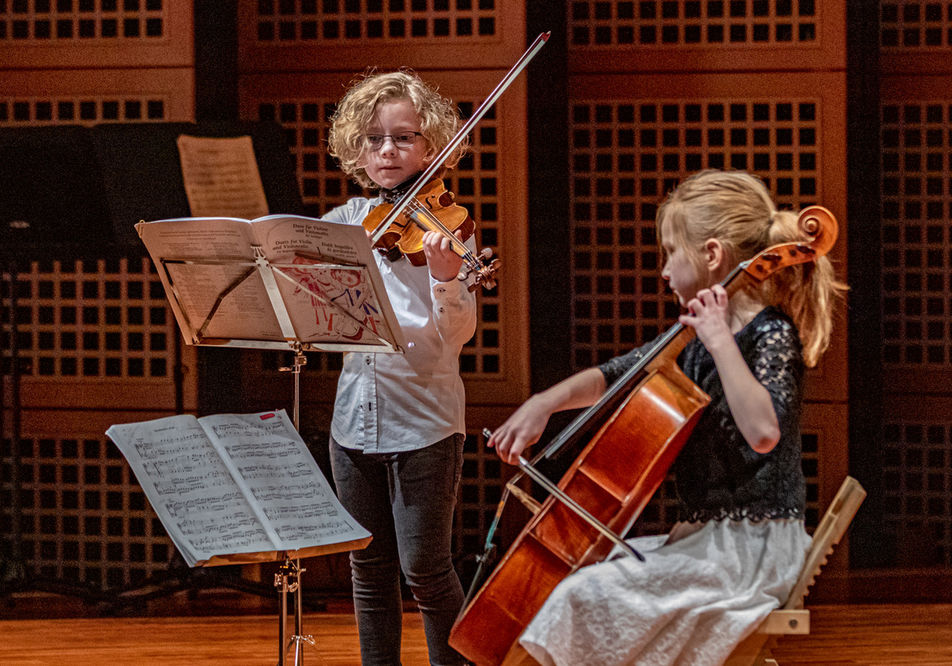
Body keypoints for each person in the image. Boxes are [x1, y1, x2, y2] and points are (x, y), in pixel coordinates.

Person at [487, 169, 845, 666]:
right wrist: (543, 402)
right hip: (709, 545)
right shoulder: (694, 339)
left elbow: (764, 433)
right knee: (583, 581)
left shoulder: (769, 332)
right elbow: (616, 375)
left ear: (712, 255)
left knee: (582, 595)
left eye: (670, 252)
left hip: (750, 552)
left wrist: (720, 340)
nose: (664, 270)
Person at [322, 69, 475, 666]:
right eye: (374, 139)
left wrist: (445, 281)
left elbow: (455, 335)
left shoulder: (443, 229)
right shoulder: (342, 224)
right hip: (351, 422)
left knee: (425, 570)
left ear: (431, 146)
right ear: (356, 149)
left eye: (404, 138)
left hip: (425, 423)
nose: (387, 151)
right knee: (367, 569)